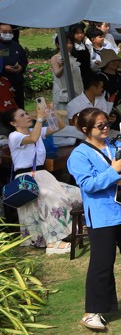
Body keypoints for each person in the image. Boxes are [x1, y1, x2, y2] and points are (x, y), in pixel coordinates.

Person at [67, 108, 121, 331]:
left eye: (106, 124)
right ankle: (93, 311)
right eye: (99, 126)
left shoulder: (117, 146)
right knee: (102, 263)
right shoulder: (79, 155)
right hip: (101, 215)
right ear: (85, 130)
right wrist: (113, 173)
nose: (105, 129)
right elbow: (88, 184)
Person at [3, 107, 80, 254]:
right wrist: (39, 118)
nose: (26, 116)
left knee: (76, 193)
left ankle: (74, 230)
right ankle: (53, 243)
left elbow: (59, 127)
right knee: (52, 199)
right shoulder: (14, 136)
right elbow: (32, 139)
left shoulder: (36, 131)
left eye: (26, 113)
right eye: (22, 115)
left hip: (43, 175)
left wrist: (51, 112)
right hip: (27, 179)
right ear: (13, 123)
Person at [0, 23, 29, 108]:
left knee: (19, 106)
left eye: (10, 32)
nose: (7, 34)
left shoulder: (16, 45)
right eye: (4, 32)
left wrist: (21, 67)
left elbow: (24, 60)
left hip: (17, 82)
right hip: (3, 83)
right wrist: (4, 68)